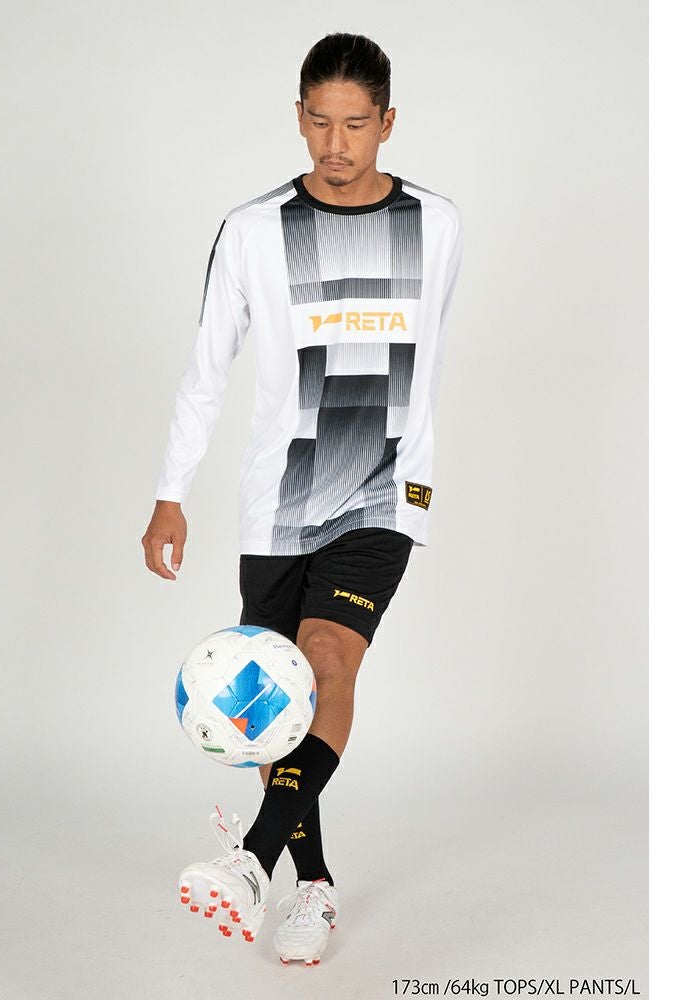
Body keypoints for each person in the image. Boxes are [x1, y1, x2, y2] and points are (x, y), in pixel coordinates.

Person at [142, 32, 463, 965]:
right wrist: (170, 493)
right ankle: (312, 885)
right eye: (319, 122)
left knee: (329, 661)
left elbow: (424, 360)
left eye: (355, 124)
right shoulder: (252, 231)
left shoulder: (437, 225)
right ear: (298, 117)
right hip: (278, 499)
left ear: (388, 123)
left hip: (386, 488)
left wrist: (408, 462)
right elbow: (207, 370)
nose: (335, 144)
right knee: (274, 702)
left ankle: (249, 860)